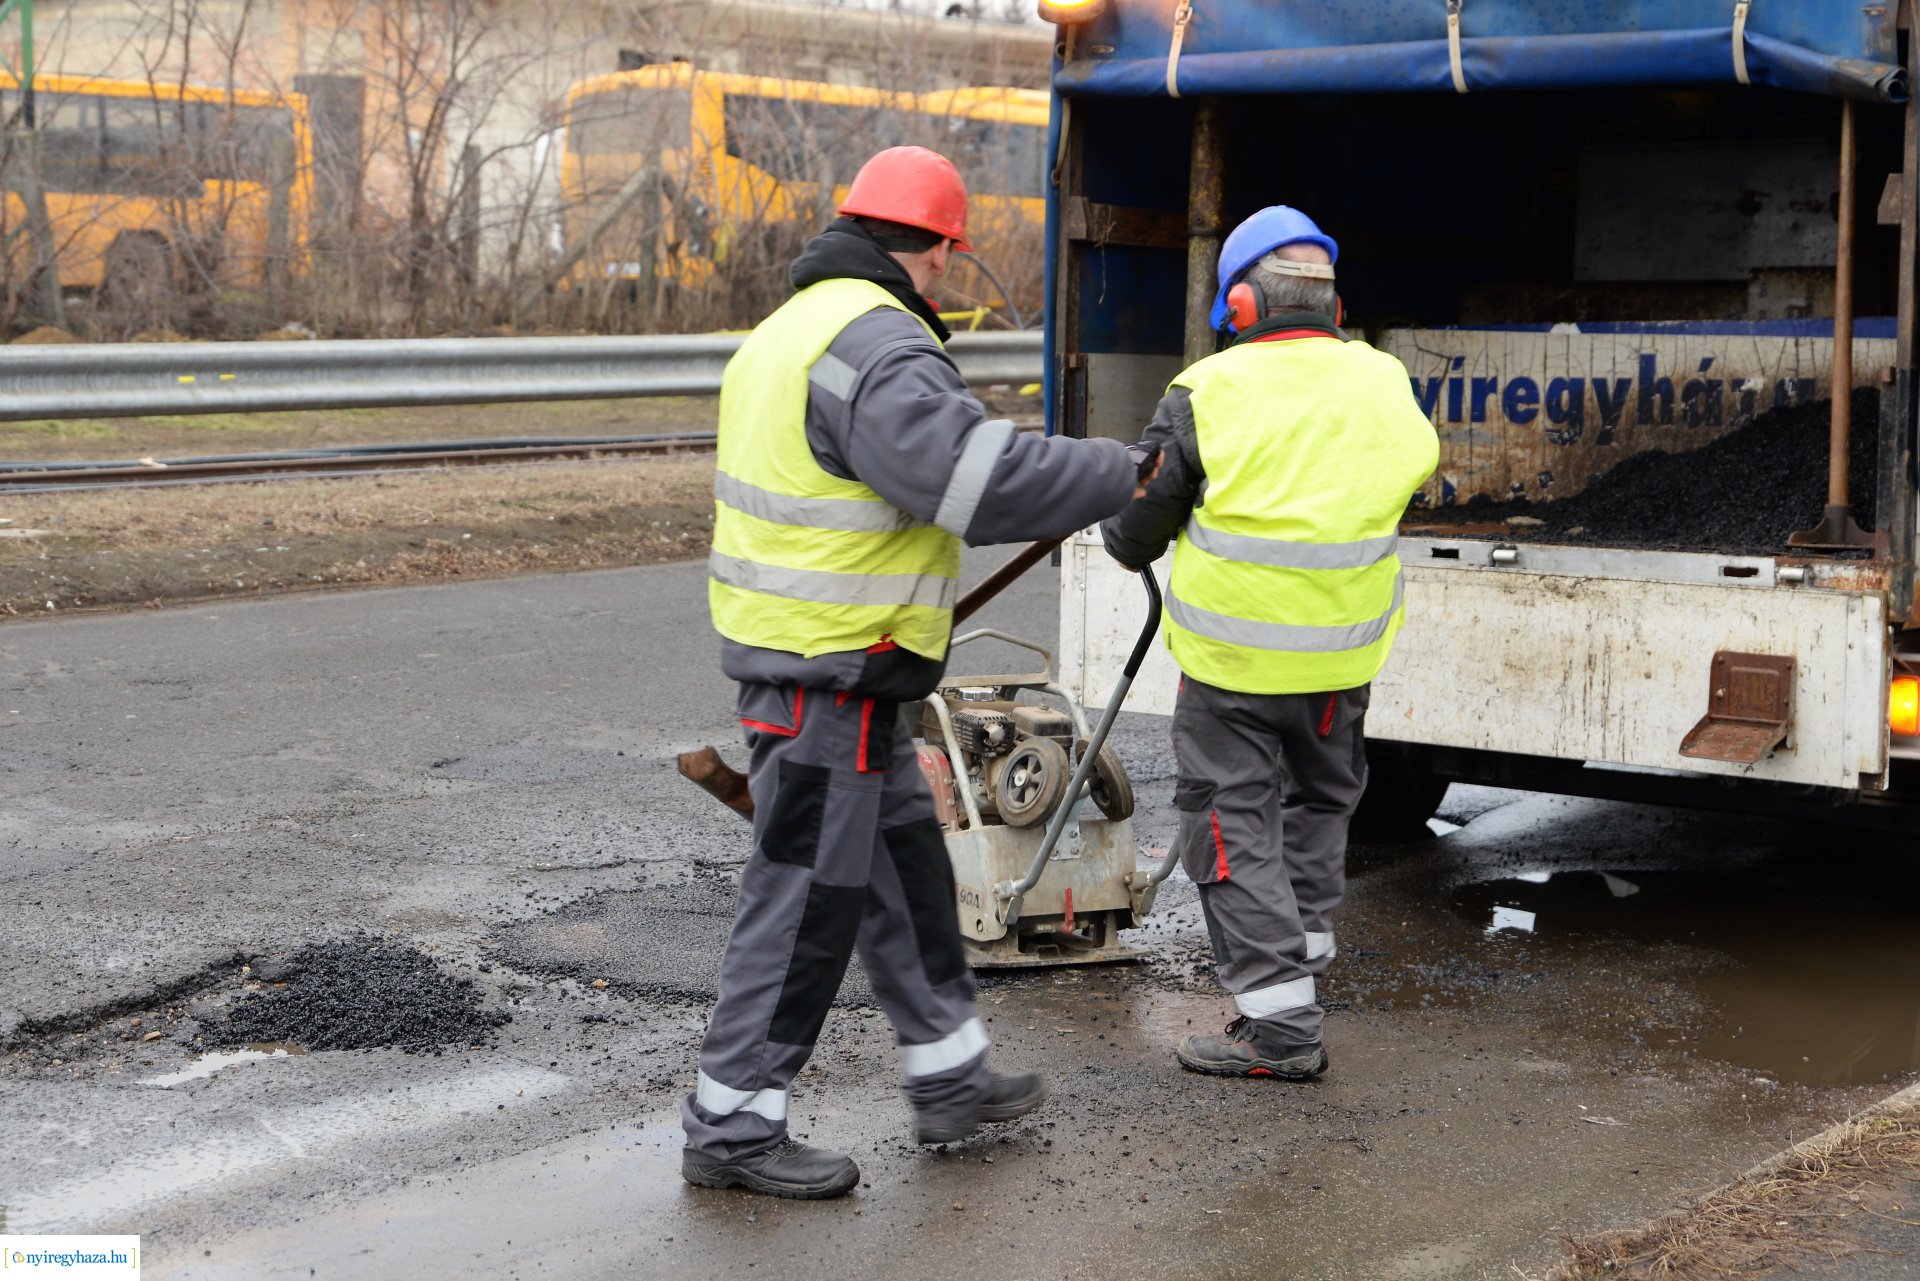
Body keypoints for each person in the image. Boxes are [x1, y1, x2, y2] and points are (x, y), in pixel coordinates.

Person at [683, 146, 1153, 1199]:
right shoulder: (878, 344)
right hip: (830, 686)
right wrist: (1122, 470)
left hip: (835, 679)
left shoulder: (789, 331)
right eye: (951, 257)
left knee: (905, 882)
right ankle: (732, 1127)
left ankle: (951, 1078)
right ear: (939, 247)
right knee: (804, 905)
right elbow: (972, 481)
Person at [1100, 206, 1438, 1081]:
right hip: (1342, 662)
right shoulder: (1384, 380)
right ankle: (1301, 968)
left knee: (1230, 821)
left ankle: (1281, 1026)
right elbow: (1409, 473)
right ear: (1330, 303)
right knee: (1318, 806)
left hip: (1234, 668)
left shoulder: (1209, 391)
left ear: (1241, 306)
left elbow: (1135, 530)